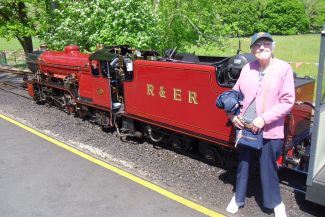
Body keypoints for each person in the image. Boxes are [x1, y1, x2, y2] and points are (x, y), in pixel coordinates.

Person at [226, 32, 295, 217]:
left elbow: (288, 101)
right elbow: (234, 94)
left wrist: (263, 119)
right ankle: (237, 198)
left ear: (272, 46)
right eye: (257, 45)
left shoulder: (283, 68)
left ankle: (275, 203)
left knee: (269, 168)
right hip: (246, 128)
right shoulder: (247, 68)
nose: (261, 47)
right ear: (252, 49)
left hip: (270, 130)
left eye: (266, 43)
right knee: (243, 165)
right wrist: (232, 115)